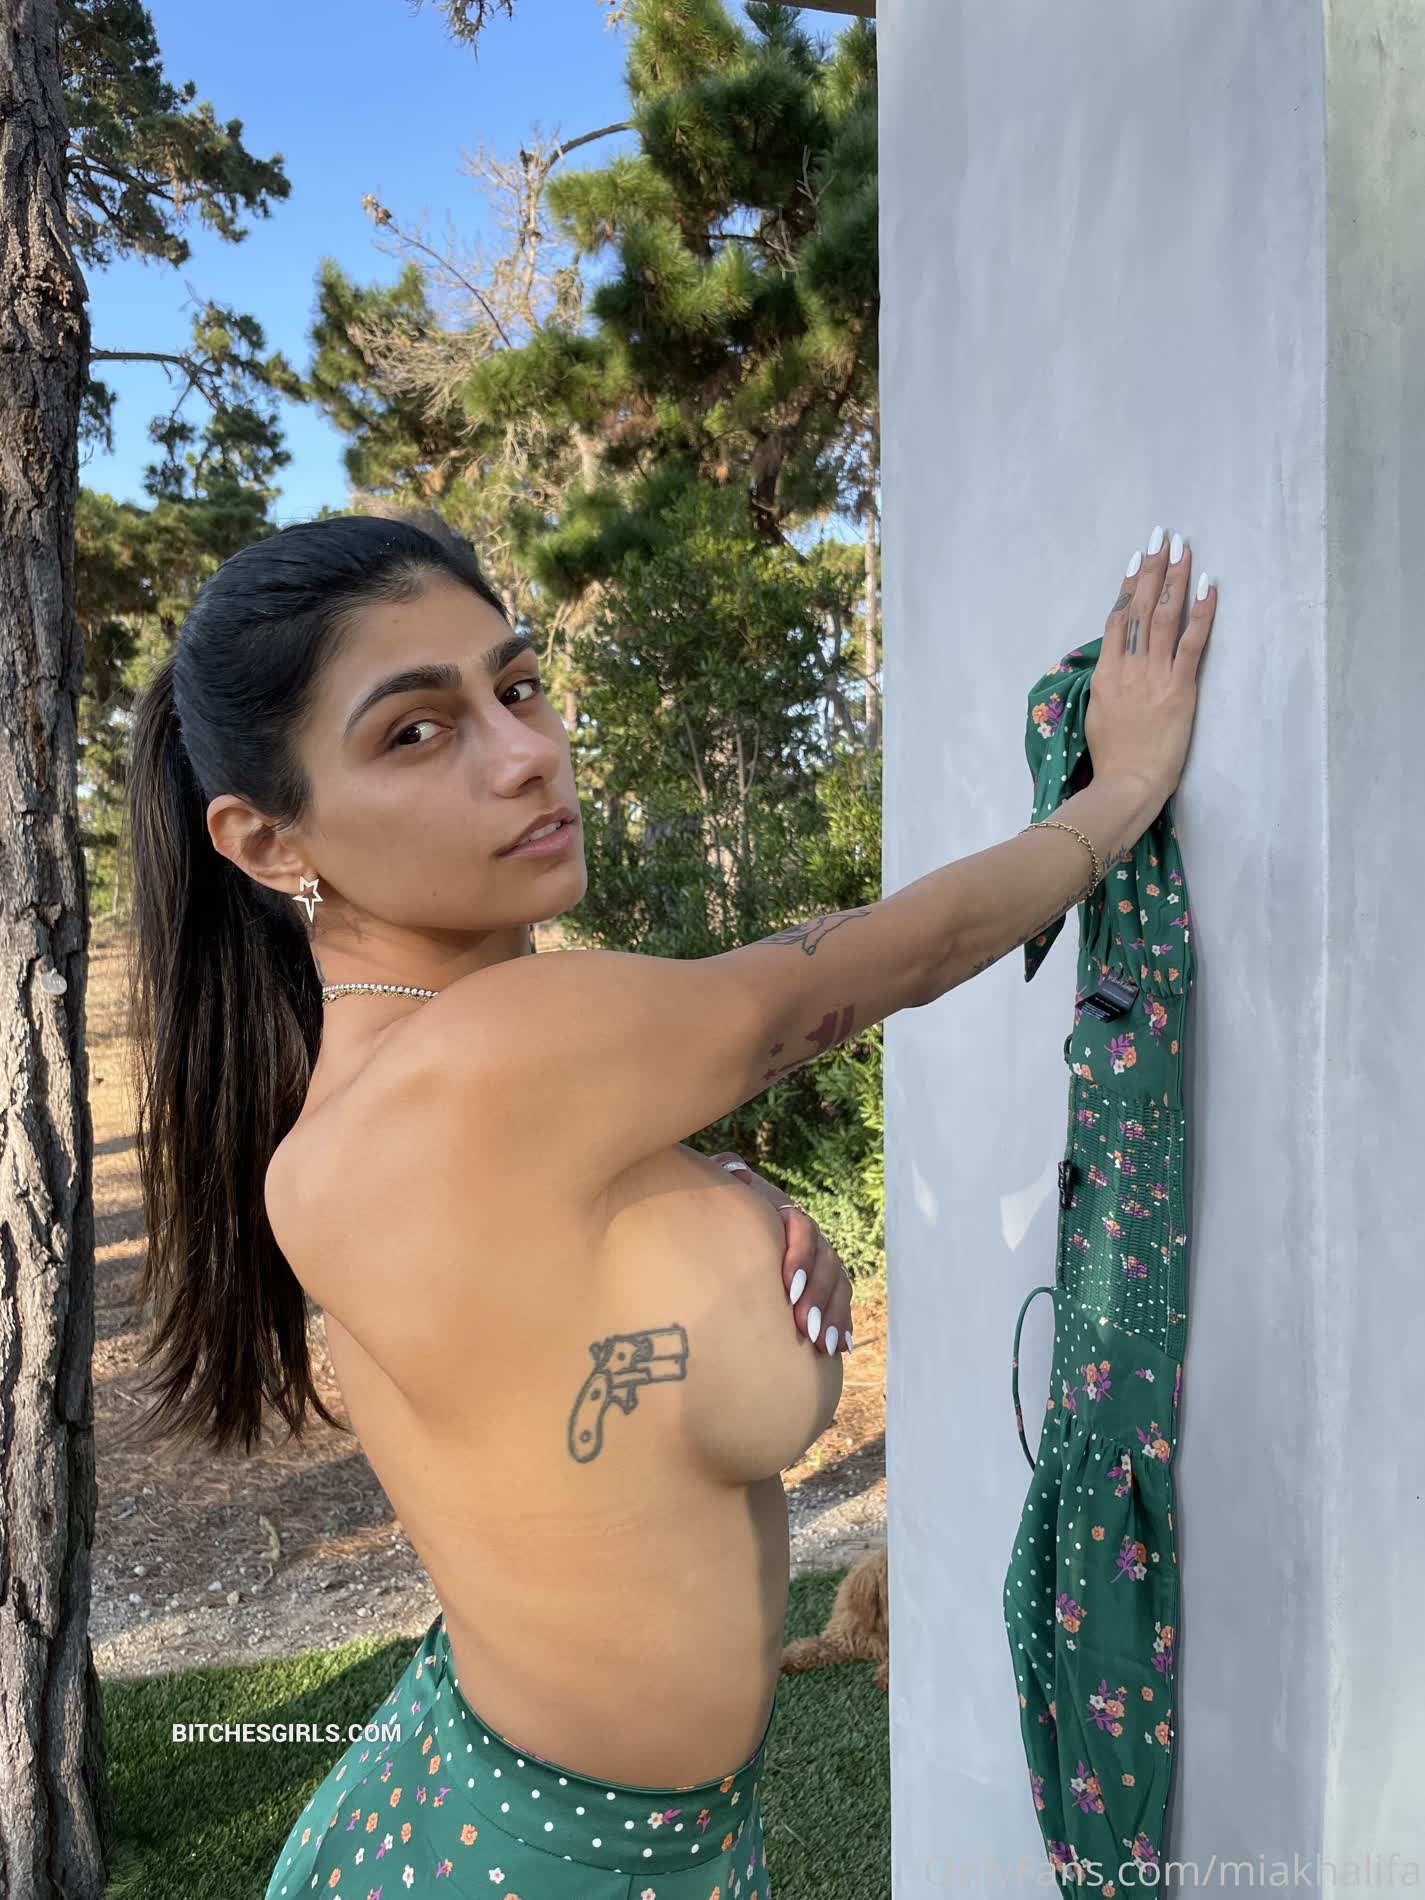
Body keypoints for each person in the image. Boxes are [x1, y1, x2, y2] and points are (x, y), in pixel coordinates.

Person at [120, 509, 1214, 1899]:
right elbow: (902, 951)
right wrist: (1121, 790)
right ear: (269, 842)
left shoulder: (350, 1115)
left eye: (517, 686)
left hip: (478, 1797)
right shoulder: (505, 1047)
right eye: (416, 730)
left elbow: (558, 1382)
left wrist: (728, 1214)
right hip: (553, 1866)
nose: (525, 752)